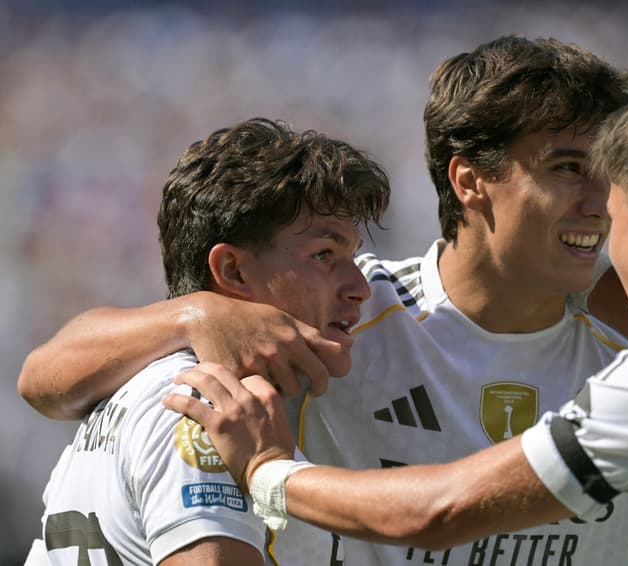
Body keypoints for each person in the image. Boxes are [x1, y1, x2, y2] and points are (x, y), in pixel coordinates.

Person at [165, 72, 628, 566]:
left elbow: (439, 512)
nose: (598, 224)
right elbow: (91, 368)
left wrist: (268, 471)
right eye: (569, 169)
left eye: (613, 211)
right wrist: (195, 313)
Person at [19, 37, 628, 565]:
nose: (599, 201)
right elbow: (46, 379)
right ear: (469, 180)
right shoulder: (337, 323)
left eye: (608, 173)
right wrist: (200, 312)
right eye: (568, 168)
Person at [25, 118, 391, 565]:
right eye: (324, 255)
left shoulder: (145, 377)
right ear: (233, 270)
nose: (360, 287)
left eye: (352, 255)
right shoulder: (208, 412)